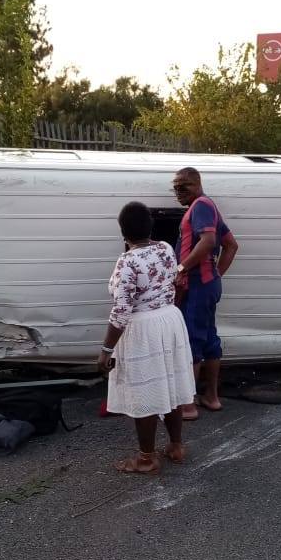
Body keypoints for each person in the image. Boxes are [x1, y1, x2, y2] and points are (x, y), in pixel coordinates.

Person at [97, 202, 196, 475]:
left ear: (123, 232)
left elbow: (121, 312)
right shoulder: (165, 248)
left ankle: (146, 458)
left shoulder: (127, 261)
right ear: (150, 226)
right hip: (169, 320)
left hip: (144, 330)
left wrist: (106, 349)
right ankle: (176, 446)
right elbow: (173, 283)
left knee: (145, 391)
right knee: (171, 383)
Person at [171, 167, 239, 420]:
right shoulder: (209, 206)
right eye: (175, 186)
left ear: (197, 184)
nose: (178, 190)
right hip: (207, 284)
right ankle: (211, 397)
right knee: (209, 339)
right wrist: (216, 274)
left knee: (192, 340)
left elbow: (209, 241)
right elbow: (231, 245)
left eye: (184, 185)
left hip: (198, 285)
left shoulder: (200, 205)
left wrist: (182, 267)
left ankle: (188, 405)